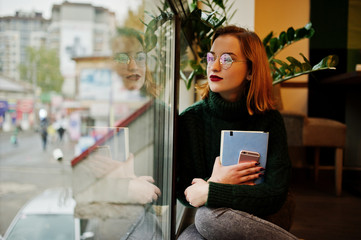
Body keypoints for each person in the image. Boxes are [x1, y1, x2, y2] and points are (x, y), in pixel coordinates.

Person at [176, 25, 298, 239]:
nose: (214, 67)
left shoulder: (270, 120)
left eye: (226, 59)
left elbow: (276, 194)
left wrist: (213, 191)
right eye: (211, 57)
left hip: (266, 215)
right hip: (215, 214)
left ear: (251, 71)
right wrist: (218, 182)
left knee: (206, 219)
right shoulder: (190, 120)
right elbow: (187, 192)